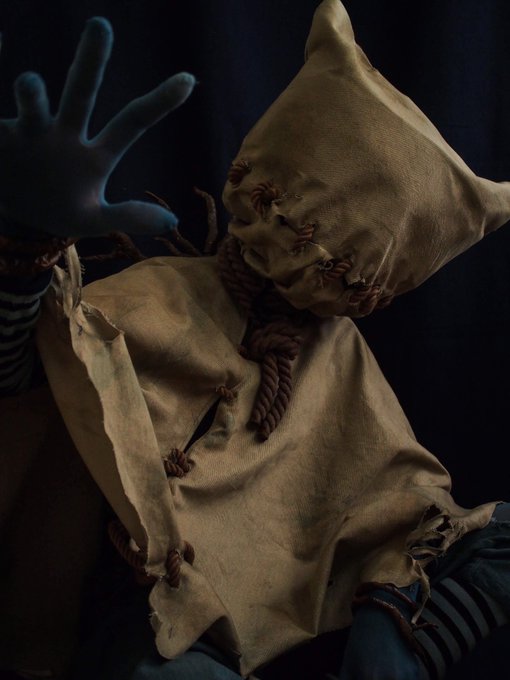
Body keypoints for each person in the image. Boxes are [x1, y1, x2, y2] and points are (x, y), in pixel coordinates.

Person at [1, 3, 509, 679]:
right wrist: (25, 249)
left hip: (252, 626)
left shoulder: (339, 361)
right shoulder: (155, 301)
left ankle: (398, 639)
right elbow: (28, 384)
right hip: (117, 619)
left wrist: (396, 614)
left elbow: (394, 489)